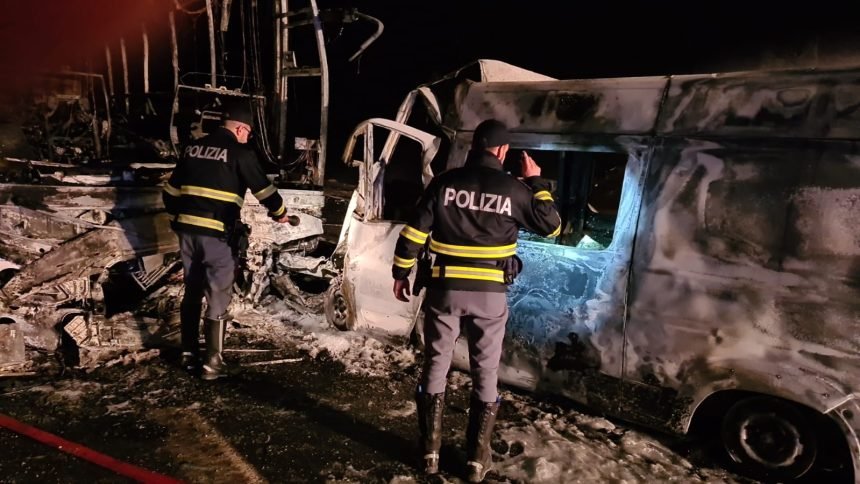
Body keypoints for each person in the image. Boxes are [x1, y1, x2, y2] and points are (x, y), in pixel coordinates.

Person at [390, 119, 561, 481]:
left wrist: (401, 273)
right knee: (486, 372)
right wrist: (537, 182)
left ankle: (430, 455)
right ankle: (476, 461)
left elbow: (414, 232)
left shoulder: (445, 183)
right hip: (489, 296)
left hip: (445, 290)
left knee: (436, 364)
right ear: (502, 151)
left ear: (475, 147)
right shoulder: (514, 189)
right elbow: (551, 225)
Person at [162, 98, 295, 381]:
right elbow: (265, 192)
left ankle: (188, 354)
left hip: (187, 231)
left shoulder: (192, 148)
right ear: (241, 129)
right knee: (218, 294)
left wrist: (179, 220)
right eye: (248, 132)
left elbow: (170, 193)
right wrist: (281, 214)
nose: (248, 136)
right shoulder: (240, 152)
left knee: (192, 289)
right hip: (217, 236)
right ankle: (212, 363)